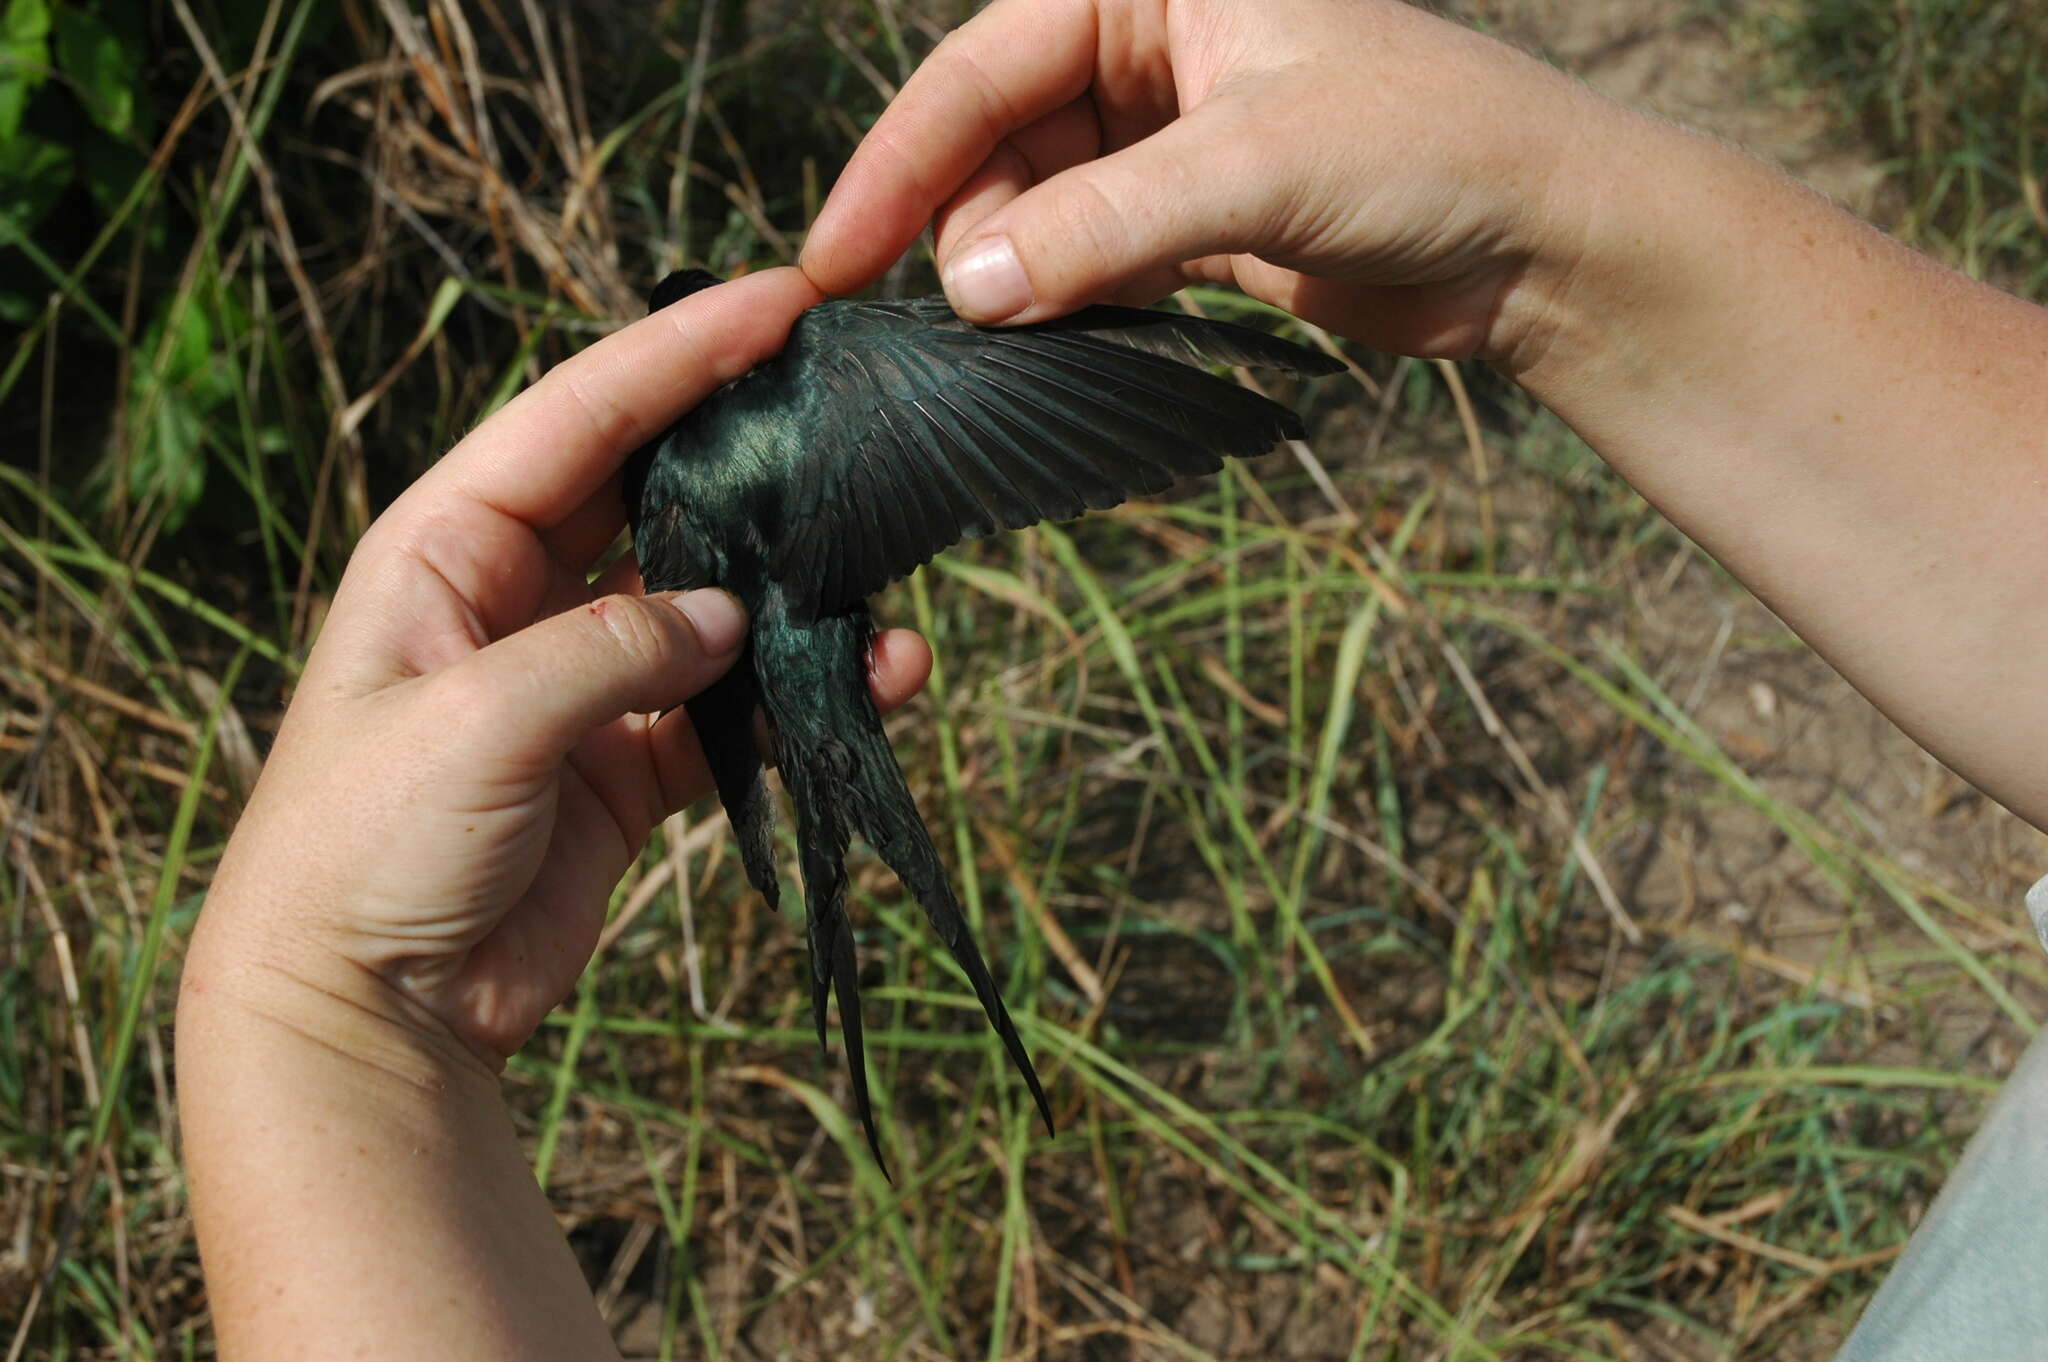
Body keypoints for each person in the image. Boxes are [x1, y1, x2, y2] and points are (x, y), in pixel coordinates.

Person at [177, 1, 2048, 1357]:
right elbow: (943, 409)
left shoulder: (670, 471)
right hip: (799, 623)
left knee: (839, 858)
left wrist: (319, 1019)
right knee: (857, 847)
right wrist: (1534, 241)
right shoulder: (836, 370)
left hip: (752, 636)